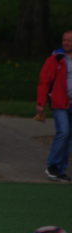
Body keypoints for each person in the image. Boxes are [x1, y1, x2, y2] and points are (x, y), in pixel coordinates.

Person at [35, 29, 72, 182]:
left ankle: (61, 170)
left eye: (69, 40)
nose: (66, 43)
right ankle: (52, 165)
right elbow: (45, 81)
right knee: (63, 132)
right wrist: (41, 102)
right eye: (64, 40)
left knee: (69, 137)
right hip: (60, 103)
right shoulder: (56, 58)